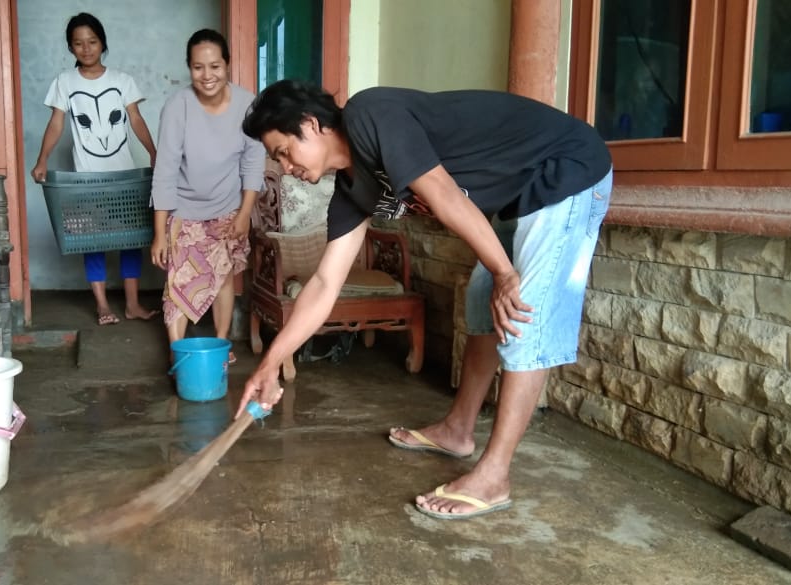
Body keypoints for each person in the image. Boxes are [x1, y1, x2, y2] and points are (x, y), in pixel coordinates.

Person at [238, 80, 612, 520]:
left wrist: (506, 273)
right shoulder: (352, 190)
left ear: (310, 124)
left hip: (567, 169)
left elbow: (442, 191)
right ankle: (458, 430)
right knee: (481, 305)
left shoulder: (369, 114)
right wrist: (269, 364)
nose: (284, 167)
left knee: (520, 312)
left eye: (283, 151)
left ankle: (494, 476)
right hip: (519, 195)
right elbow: (323, 284)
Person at [32, 12, 158, 326]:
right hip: (88, 178)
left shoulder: (122, 80)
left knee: (131, 240)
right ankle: (102, 305)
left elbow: (136, 119)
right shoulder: (65, 82)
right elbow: (56, 123)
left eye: (92, 41)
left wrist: (154, 153)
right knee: (95, 241)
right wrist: (42, 159)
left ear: (102, 42)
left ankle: (132, 304)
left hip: (124, 176)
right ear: (71, 48)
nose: (86, 49)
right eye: (78, 43)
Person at [149, 29, 265, 364]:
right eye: (198, 67)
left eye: (215, 66)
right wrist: (160, 234)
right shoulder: (177, 107)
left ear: (227, 65)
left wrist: (244, 214)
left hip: (228, 209)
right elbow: (165, 171)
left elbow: (253, 163)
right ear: (189, 68)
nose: (207, 75)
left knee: (222, 278)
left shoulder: (247, 105)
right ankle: (178, 356)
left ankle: (220, 345)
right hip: (184, 212)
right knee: (177, 283)